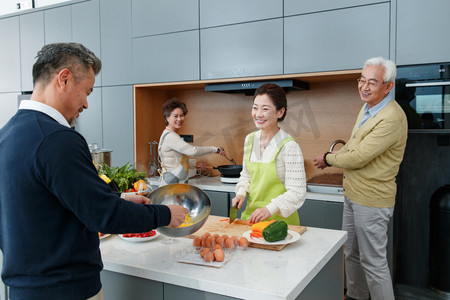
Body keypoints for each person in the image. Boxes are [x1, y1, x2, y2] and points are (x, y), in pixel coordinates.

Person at [0, 43, 188, 300]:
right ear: (64, 79)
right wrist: (164, 214)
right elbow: (103, 215)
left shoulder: (7, 135)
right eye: (86, 91)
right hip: (67, 290)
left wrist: (119, 198)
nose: (86, 104)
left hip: (24, 290)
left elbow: (47, 201)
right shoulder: (58, 138)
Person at [313, 57, 407, 300]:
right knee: (352, 254)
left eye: (372, 82)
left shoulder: (391, 117)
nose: (364, 87)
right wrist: (331, 157)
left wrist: (328, 158)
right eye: (362, 80)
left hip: (372, 201)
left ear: (388, 86)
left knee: (374, 263)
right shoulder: (367, 109)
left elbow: (359, 157)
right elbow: (353, 145)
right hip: (353, 195)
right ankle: (356, 297)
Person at [231, 83, 306, 225]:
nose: (258, 114)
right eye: (255, 108)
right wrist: (241, 193)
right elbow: (247, 175)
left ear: (280, 112)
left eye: (265, 109)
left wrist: (269, 209)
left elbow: (297, 193)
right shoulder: (250, 139)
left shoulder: (289, 146)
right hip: (251, 220)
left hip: (280, 225)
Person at [158, 97, 225, 186]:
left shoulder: (171, 134)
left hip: (176, 184)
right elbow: (193, 151)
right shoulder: (170, 137)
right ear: (167, 118)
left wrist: (194, 165)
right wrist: (215, 149)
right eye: (175, 116)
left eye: (181, 115)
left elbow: (175, 161)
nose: (179, 119)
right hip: (171, 186)